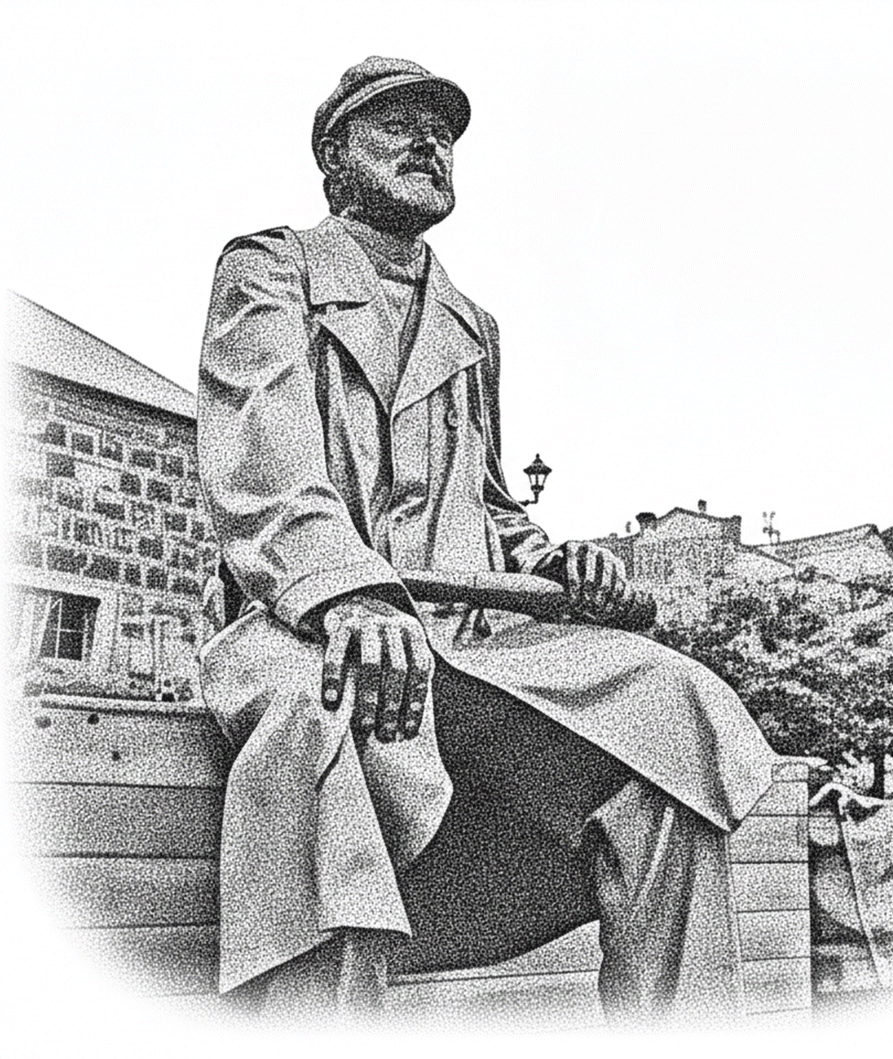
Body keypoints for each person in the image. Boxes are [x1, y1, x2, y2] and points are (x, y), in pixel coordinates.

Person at [197, 56, 775, 1025]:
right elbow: (263, 453)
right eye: (397, 127)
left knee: (670, 710)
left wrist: (551, 561)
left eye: (445, 132)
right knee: (324, 713)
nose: (431, 145)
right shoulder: (270, 268)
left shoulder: (472, 322)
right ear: (333, 156)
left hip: (467, 648)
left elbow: (493, 499)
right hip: (305, 623)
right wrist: (349, 593)